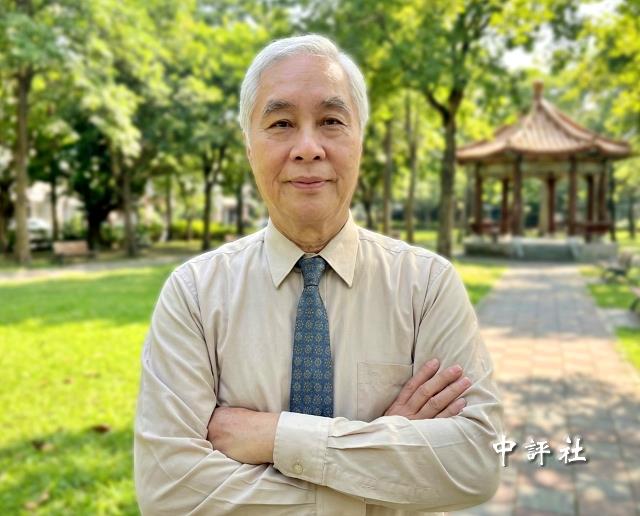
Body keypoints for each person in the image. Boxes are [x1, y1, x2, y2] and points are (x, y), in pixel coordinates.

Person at [134, 34, 502, 515]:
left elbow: (476, 461)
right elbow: (169, 493)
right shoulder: (195, 294)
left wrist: (275, 436)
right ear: (249, 147)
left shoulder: (427, 286)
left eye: (331, 121)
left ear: (359, 141)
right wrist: (382, 454)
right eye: (281, 123)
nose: (308, 148)